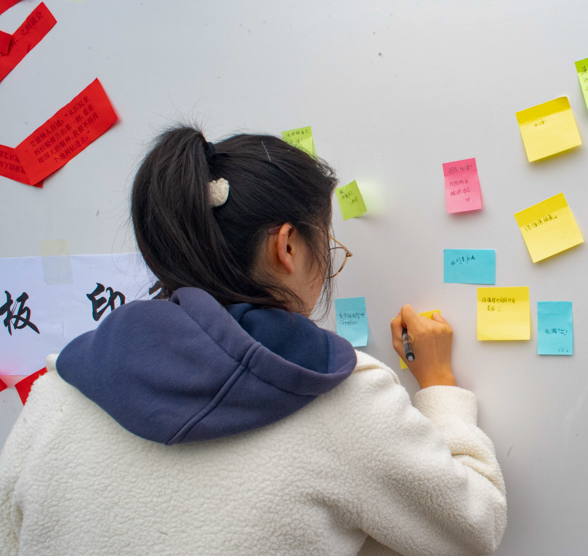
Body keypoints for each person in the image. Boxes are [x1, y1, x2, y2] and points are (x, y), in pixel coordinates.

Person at [0, 126, 507, 556]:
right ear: (287, 246)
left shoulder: (59, 392)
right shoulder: (337, 397)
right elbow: (475, 526)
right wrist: (440, 386)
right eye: (327, 246)